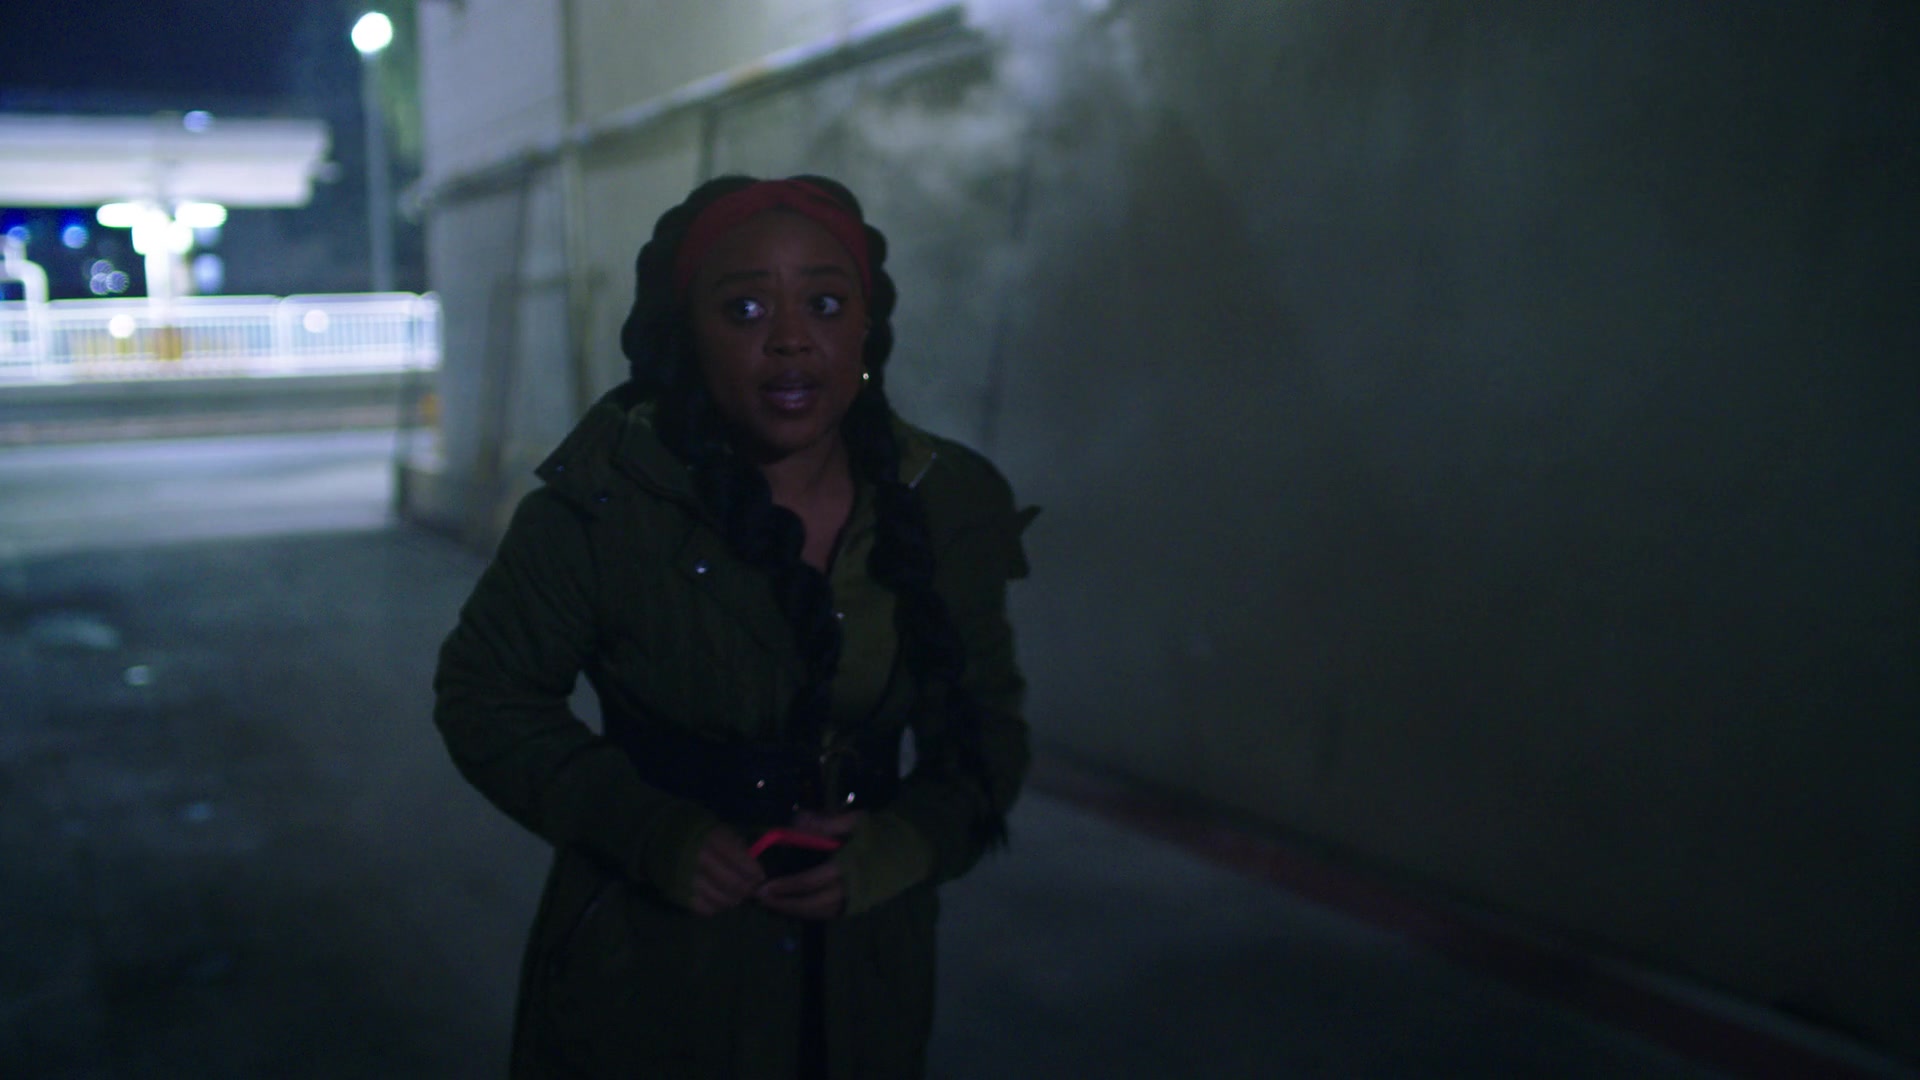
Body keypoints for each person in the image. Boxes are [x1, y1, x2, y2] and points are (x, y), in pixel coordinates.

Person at [432, 174, 1037, 1079]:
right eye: (746, 308)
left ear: (866, 329)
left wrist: (901, 847)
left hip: (862, 980)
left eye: (824, 304)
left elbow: (987, 733)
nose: (791, 338)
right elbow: (485, 696)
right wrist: (647, 829)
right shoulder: (605, 505)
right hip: (646, 976)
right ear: (687, 335)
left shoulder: (942, 501)